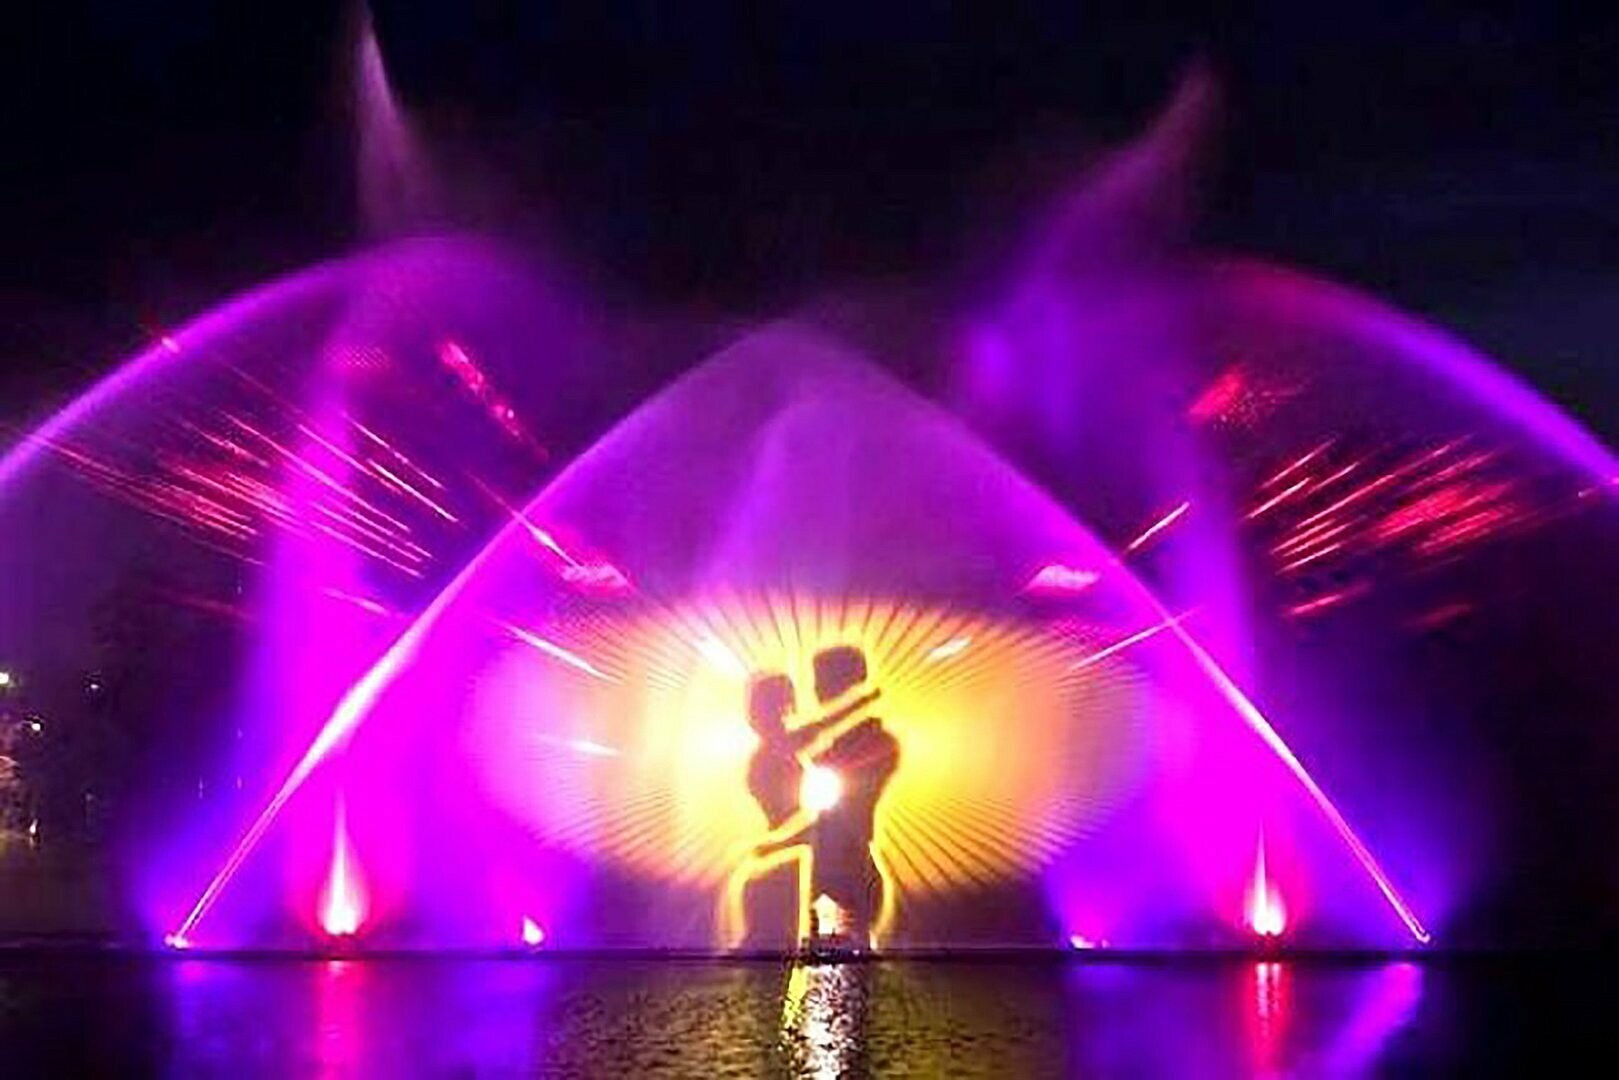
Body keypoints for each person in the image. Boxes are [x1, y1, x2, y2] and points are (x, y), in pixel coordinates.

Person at [756, 646, 899, 947]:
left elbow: (839, 819)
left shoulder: (870, 746)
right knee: (827, 959)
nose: (814, 690)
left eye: (820, 681)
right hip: (833, 875)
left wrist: (779, 844)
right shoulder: (833, 747)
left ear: (841, 685)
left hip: (845, 879)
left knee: (836, 959)